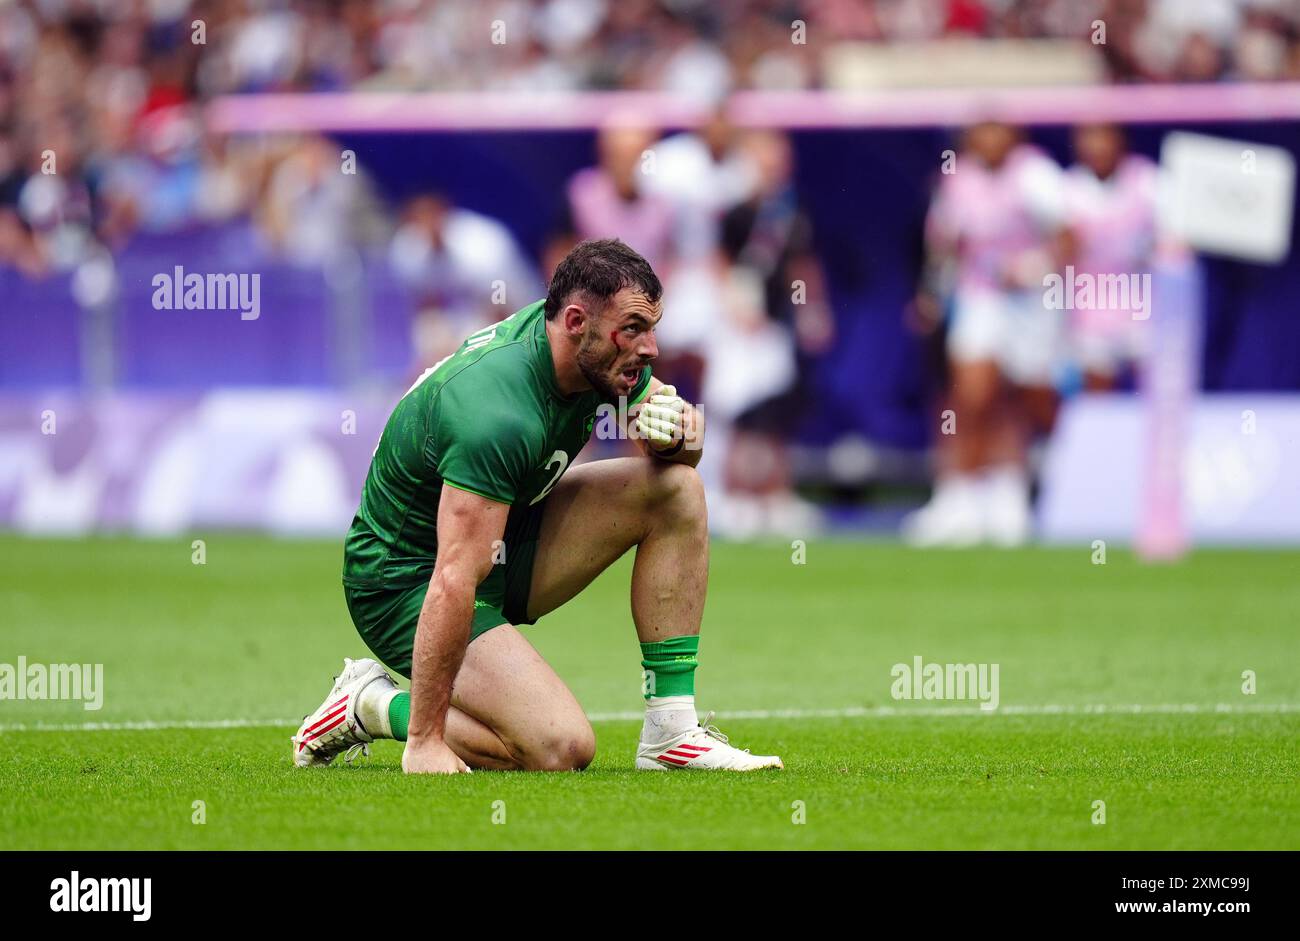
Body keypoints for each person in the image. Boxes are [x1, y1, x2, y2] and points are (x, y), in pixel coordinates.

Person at [292, 238, 782, 774]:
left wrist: (679, 435)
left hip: (506, 536)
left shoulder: (597, 352)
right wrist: (426, 742)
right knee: (560, 748)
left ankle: (672, 732)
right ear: (576, 321)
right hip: (404, 579)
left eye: (652, 328)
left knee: (677, 489)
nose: (651, 349)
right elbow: (454, 576)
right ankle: (374, 705)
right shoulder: (495, 412)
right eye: (636, 328)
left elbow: (684, 455)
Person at [904, 121, 1070, 547]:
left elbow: (1068, 237)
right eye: (982, 135)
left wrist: (1035, 266)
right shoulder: (957, 181)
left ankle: (1009, 493)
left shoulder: (1036, 175)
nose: (991, 144)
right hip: (980, 299)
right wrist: (931, 295)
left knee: (1021, 398)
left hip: (1033, 304)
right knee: (972, 395)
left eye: (999, 135)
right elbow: (943, 246)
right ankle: (959, 496)